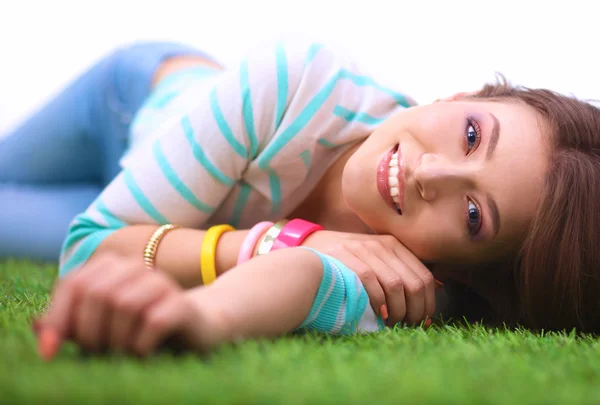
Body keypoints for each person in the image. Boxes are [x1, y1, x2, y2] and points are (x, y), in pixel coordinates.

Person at [3, 40, 600, 360]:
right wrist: (279, 237)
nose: (431, 172)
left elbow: (303, 277)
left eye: (473, 215)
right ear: (460, 95)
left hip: (137, 215)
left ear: (458, 274)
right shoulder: (296, 82)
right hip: (128, 104)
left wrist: (205, 315)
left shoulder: (410, 283)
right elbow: (92, 248)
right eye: (472, 134)